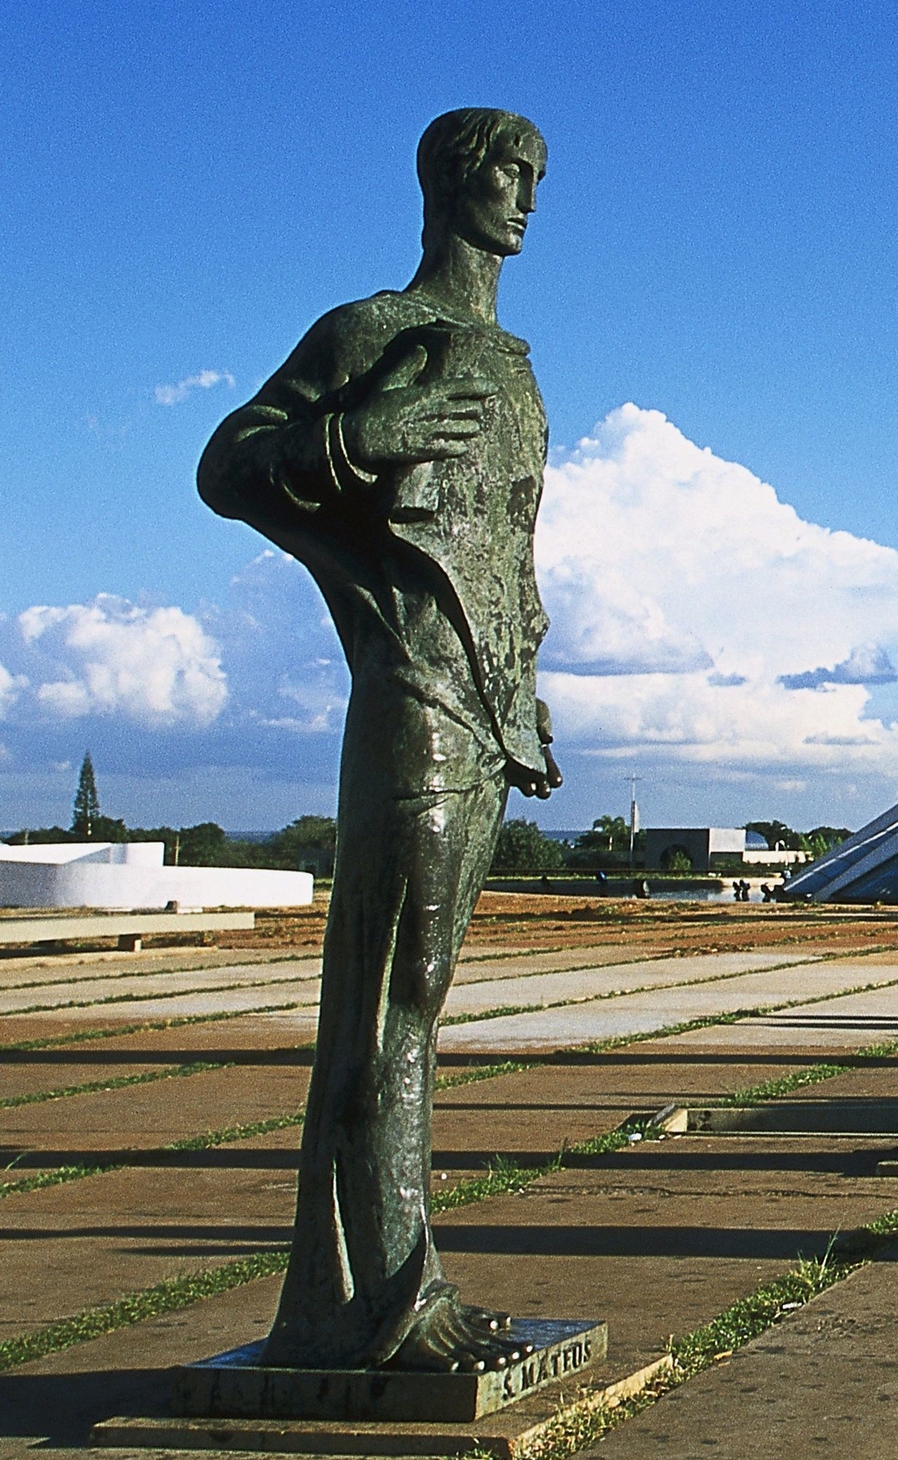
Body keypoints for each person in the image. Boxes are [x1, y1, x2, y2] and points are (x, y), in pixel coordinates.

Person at [199, 109, 559, 1371]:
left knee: (420, 998)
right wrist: (358, 438)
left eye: (536, 178)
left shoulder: (511, 362)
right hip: (409, 695)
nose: (527, 198)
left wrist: (523, 676)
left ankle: (360, 1291)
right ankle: (392, 1301)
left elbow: (500, 552)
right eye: (510, 173)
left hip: (484, 703)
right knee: (388, 999)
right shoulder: (371, 334)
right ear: (451, 180)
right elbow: (230, 459)